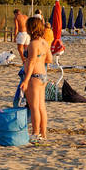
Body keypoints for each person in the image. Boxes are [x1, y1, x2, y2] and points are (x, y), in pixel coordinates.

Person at [22, 15, 49, 144]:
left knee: (34, 107)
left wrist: (26, 80)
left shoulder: (33, 44)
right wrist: (40, 57)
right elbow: (49, 59)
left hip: (34, 77)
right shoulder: (44, 42)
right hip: (43, 76)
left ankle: (35, 133)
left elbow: (32, 63)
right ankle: (43, 134)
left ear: (31, 29)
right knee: (41, 107)